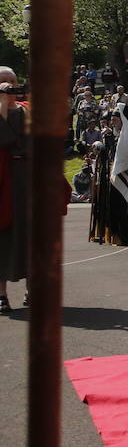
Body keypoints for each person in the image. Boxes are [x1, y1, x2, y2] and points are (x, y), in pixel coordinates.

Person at [0, 68, 29, 311]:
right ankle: (2, 294)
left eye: (13, 81)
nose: (10, 86)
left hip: (27, 178)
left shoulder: (28, 110)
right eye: (4, 82)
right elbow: (4, 140)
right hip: (3, 179)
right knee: (4, 236)